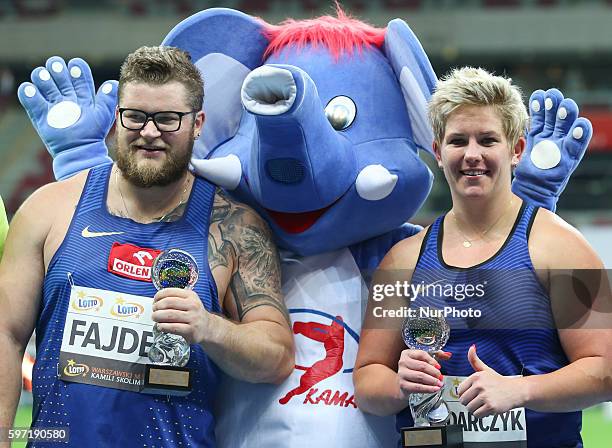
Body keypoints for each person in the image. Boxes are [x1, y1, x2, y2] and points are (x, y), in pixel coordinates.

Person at [0, 46, 294, 447]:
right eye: (135, 116)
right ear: (117, 118)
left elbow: (277, 357)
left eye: (168, 119)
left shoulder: (234, 227)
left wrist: (210, 329)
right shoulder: (49, 208)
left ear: (197, 124)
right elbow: (7, 335)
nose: (149, 132)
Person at [354, 67, 612, 447]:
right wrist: (398, 385)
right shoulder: (402, 260)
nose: (472, 154)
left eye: (487, 139)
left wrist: (519, 391)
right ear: (439, 153)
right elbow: (366, 379)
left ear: (516, 150)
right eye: (459, 141)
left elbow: (606, 371)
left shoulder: (564, 248)